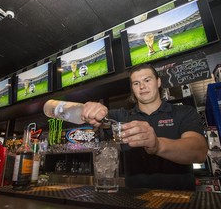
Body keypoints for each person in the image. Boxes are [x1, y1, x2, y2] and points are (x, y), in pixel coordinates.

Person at [81, 63, 208, 191]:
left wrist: (157, 145)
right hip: (135, 200)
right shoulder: (121, 117)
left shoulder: (184, 112)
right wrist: (96, 111)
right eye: (136, 83)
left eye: (147, 80)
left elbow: (199, 152)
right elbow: (104, 119)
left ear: (158, 82)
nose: (142, 86)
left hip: (180, 199)